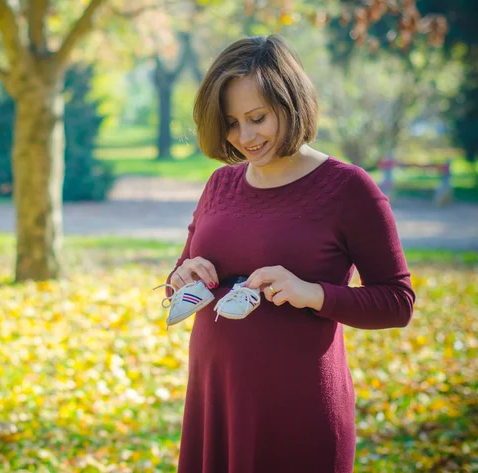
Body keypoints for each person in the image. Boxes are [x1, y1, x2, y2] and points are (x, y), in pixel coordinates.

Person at [159, 34, 416, 473]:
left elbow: (397, 303)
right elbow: (179, 276)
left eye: (258, 118)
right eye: (231, 122)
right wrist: (183, 275)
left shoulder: (349, 189)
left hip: (298, 407)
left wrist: (312, 293)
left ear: (291, 102)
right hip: (215, 398)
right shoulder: (221, 185)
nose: (245, 136)